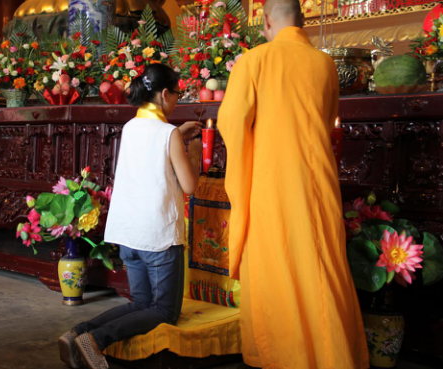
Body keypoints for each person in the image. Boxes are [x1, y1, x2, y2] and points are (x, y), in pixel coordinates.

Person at [217, 0, 369, 368]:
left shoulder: (254, 61)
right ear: (302, 20)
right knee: (322, 266)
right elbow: (328, 118)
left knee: (278, 268)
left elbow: (231, 123)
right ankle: (333, 355)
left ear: (266, 22)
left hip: (273, 186)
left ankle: (288, 358)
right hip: (319, 183)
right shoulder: (325, 64)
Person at [58, 64, 203, 369]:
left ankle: (78, 333)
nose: (177, 99)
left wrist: (177, 134)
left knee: (140, 303)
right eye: (176, 93)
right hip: (159, 239)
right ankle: (96, 341)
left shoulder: (129, 127)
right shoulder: (168, 134)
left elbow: (156, 151)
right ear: (164, 94)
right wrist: (193, 148)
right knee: (164, 311)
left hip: (128, 235)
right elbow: (189, 184)